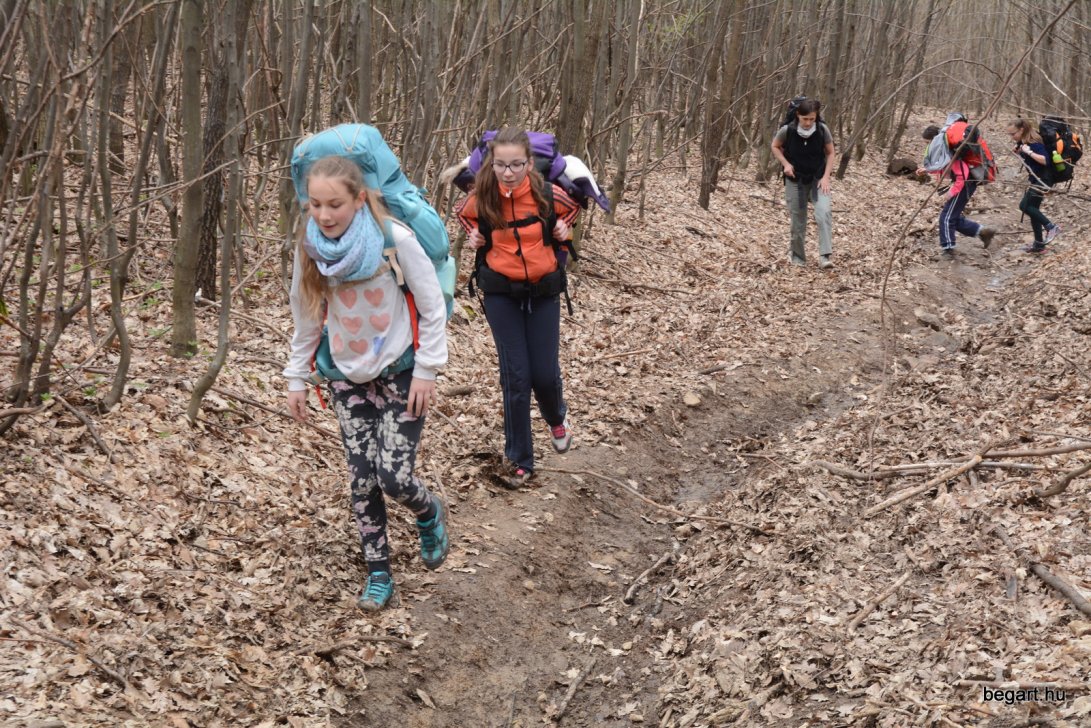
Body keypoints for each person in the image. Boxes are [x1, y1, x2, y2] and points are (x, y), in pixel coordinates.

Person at [283, 155, 450, 611]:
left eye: (334, 204)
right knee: (362, 480)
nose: (324, 215)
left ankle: (428, 510)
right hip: (347, 376)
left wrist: (427, 370)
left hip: (402, 372)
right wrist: (296, 376)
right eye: (315, 204)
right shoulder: (311, 249)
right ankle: (378, 573)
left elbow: (432, 305)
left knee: (394, 478)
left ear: (359, 199)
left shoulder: (393, 239)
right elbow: (306, 314)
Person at [456, 127, 581, 489]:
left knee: (543, 374)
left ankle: (556, 417)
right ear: (491, 165)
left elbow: (572, 211)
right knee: (516, 376)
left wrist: (564, 230)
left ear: (529, 163)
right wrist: (474, 235)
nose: (508, 172)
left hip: (543, 291)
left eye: (516, 165)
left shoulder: (548, 194)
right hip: (500, 293)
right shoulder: (483, 197)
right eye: (500, 165)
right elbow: (464, 214)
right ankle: (519, 460)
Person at [771, 98, 836, 269]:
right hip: (796, 180)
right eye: (805, 118)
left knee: (823, 212)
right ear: (798, 115)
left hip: (818, 179)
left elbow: (830, 153)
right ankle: (798, 257)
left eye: (811, 119)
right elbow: (775, 146)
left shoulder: (822, 130)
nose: (808, 123)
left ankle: (825, 256)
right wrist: (785, 164)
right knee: (798, 219)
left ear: (816, 117)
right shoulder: (788, 130)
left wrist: (826, 177)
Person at [1008, 118, 1061, 254]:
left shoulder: (1034, 142)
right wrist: (1021, 151)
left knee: (1024, 206)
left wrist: (1028, 152)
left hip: (1043, 180)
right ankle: (1039, 245)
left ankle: (1051, 227)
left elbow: (1045, 160)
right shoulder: (1024, 142)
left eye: (1013, 134)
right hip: (1037, 179)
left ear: (1021, 130)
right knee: (1033, 209)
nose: (1012, 137)